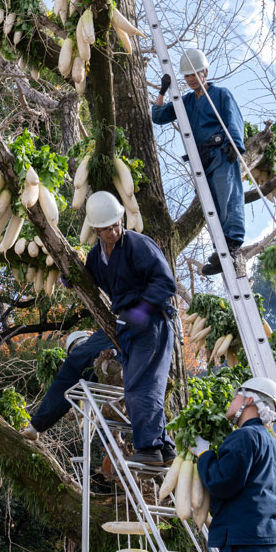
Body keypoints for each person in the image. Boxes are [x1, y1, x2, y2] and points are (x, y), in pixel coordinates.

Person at [24, 191, 178, 466]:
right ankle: (39, 423)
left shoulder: (138, 244)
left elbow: (166, 283)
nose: (114, 230)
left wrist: (140, 312)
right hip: (123, 325)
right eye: (106, 228)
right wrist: (70, 279)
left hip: (151, 320)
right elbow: (87, 279)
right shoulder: (97, 256)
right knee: (76, 360)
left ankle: (152, 447)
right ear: (95, 229)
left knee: (142, 384)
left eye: (117, 223)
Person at [152, 48, 246, 276]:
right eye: (187, 76)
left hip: (222, 154)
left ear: (205, 71)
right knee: (211, 206)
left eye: (194, 74)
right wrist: (163, 91)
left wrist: (235, 145)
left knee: (228, 197)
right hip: (200, 161)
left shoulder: (221, 95)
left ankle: (232, 246)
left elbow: (233, 119)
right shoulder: (185, 102)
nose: (191, 79)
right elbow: (158, 116)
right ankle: (220, 251)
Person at [190, 377, 276, 552]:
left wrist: (203, 454)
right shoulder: (270, 442)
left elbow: (222, 482)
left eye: (236, 396)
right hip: (270, 536)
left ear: (249, 400)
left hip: (247, 537)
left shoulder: (245, 435)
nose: (231, 402)